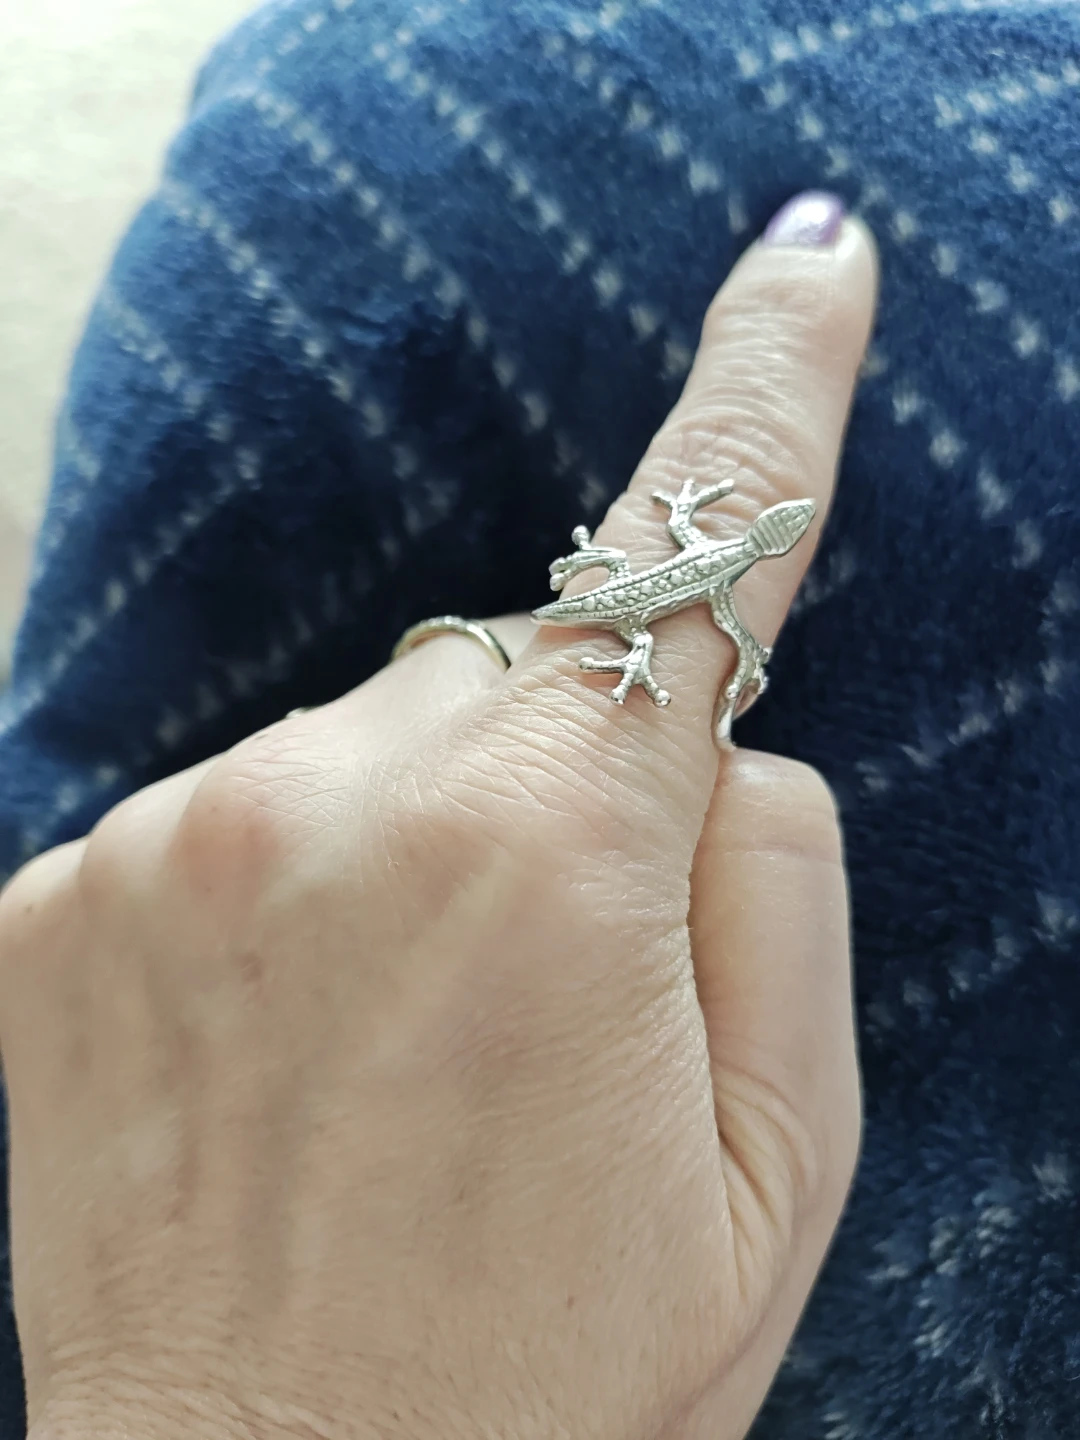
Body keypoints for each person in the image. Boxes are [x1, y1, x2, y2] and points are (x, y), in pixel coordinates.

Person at [1, 2, 1078, 1436]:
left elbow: (692, 569)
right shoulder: (702, 577)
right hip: (613, 634)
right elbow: (679, 585)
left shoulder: (715, 562)